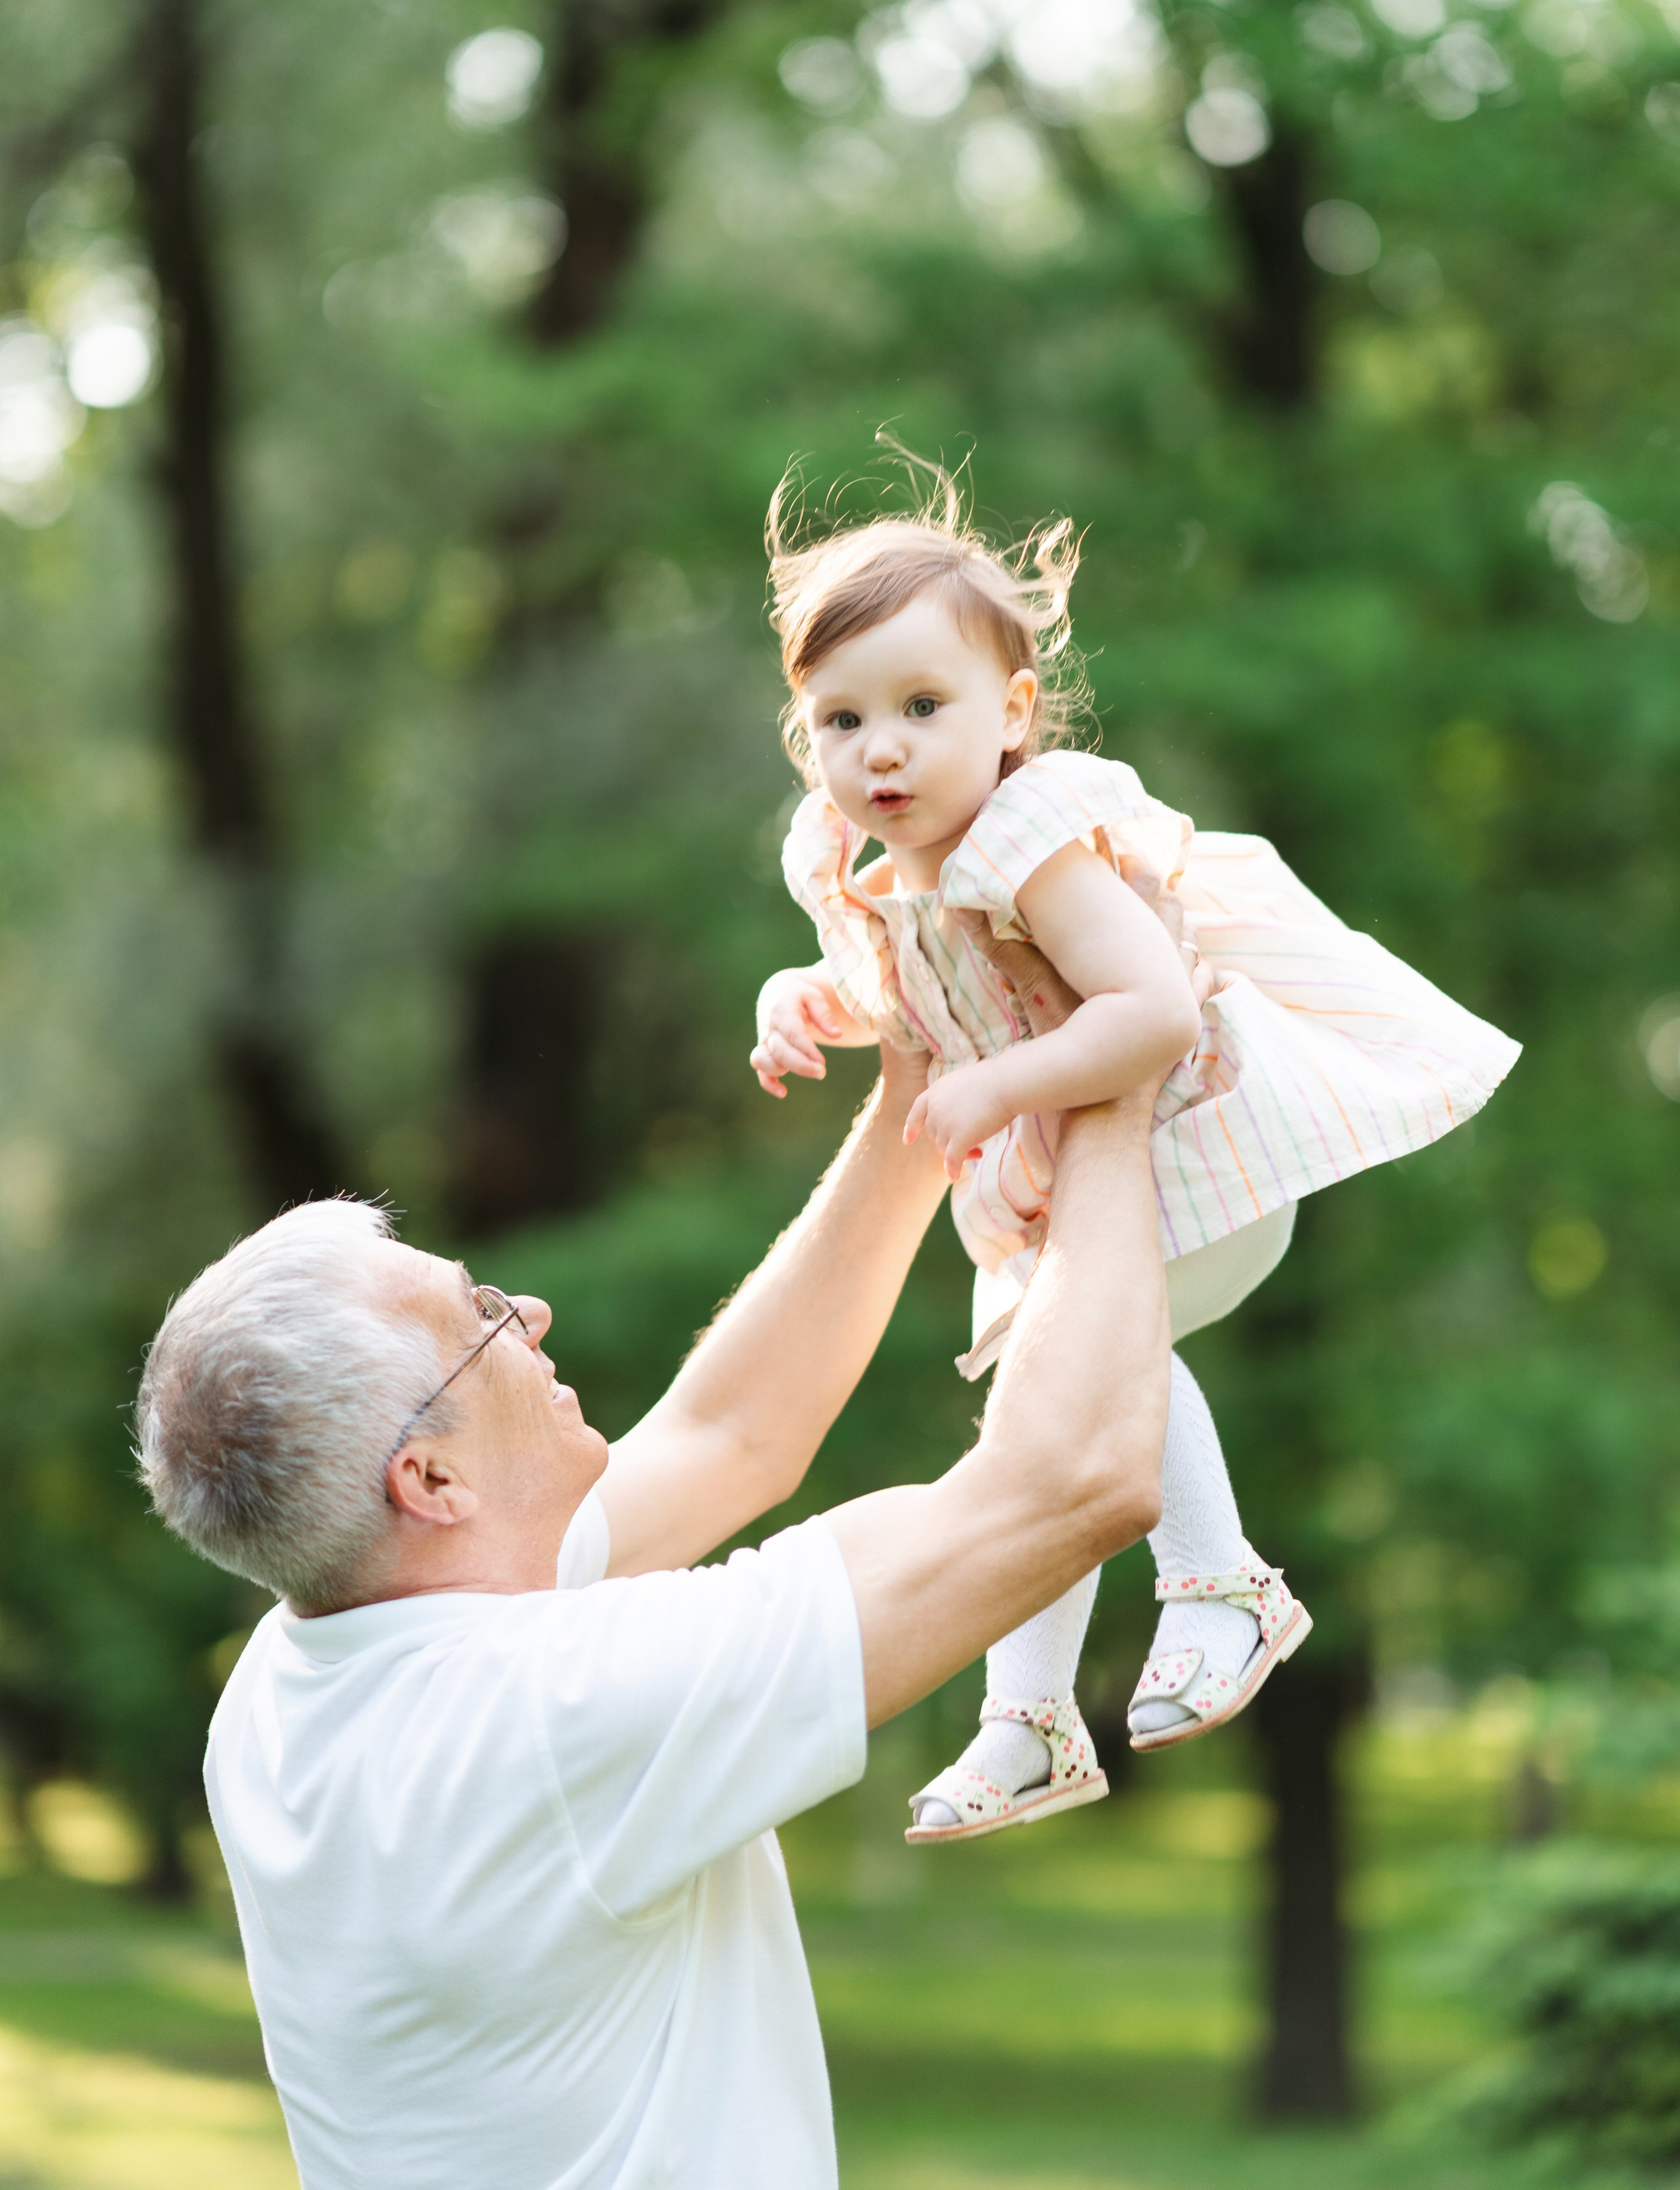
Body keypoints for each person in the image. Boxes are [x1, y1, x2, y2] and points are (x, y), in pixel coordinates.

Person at [135, 901, 1196, 2190]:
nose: (524, 1310)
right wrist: (1113, 1074)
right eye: (477, 1319)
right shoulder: (551, 1716)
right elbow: (1070, 1480)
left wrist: (925, 1083)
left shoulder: (304, 1668)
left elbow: (731, 1433)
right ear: (426, 1475)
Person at [751, 464, 1521, 1834]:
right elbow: (928, 1001)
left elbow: (1148, 1010)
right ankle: (1028, 1720)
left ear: (1011, 715)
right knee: (1041, 1429)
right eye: (841, 718)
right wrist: (810, 1001)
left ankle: (1221, 1582)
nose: (882, 749)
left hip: (1179, 1154)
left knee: (1104, 1370)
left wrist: (1005, 1093)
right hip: (1058, 1194)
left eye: (923, 708)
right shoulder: (869, 869)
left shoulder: (1033, 839)